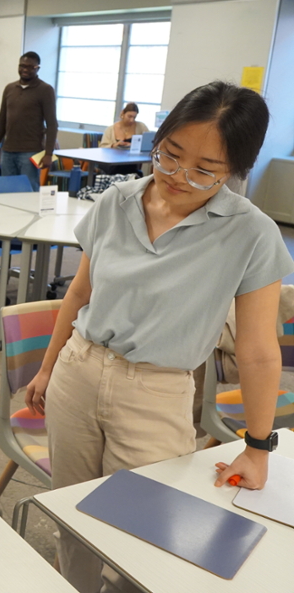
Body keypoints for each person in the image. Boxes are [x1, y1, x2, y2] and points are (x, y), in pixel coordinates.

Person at [23, 81, 294, 593]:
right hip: (78, 374)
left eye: (204, 170)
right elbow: (79, 295)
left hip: (156, 391)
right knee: (73, 515)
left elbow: (258, 353)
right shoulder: (117, 201)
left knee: (148, 537)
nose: (178, 177)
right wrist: (47, 366)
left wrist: (257, 448)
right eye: (169, 156)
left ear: (236, 169)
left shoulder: (251, 234)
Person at [0, 51, 58, 186]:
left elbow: (52, 125)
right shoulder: (10, 88)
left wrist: (48, 153)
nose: (25, 70)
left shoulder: (45, 90)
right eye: (22, 66)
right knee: (7, 190)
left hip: (30, 151)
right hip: (8, 151)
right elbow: (2, 120)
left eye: (29, 67)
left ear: (37, 68)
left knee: (29, 192)